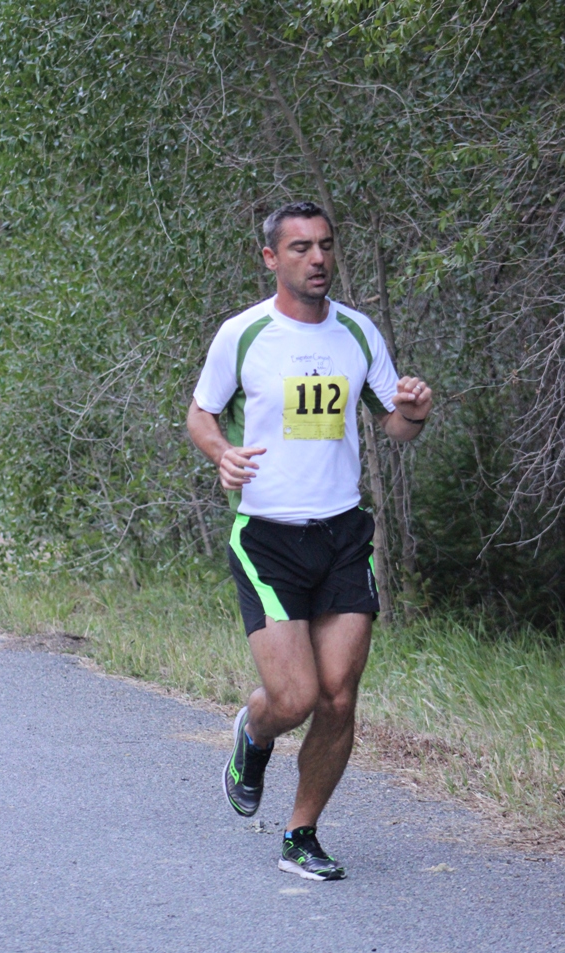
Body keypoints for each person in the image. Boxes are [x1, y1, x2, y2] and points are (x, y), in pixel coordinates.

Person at [187, 200, 432, 880]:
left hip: (343, 534)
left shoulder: (357, 332)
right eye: (299, 248)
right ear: (271, 259)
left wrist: (414, 411)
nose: (317, 258)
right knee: (292, 699)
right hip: (265, 536)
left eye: (325, 246)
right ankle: (254, 732)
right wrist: (220, 453)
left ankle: (301, 833)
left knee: (339, 697)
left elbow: (396, 426)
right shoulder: (242, 334)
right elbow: (201, 412)